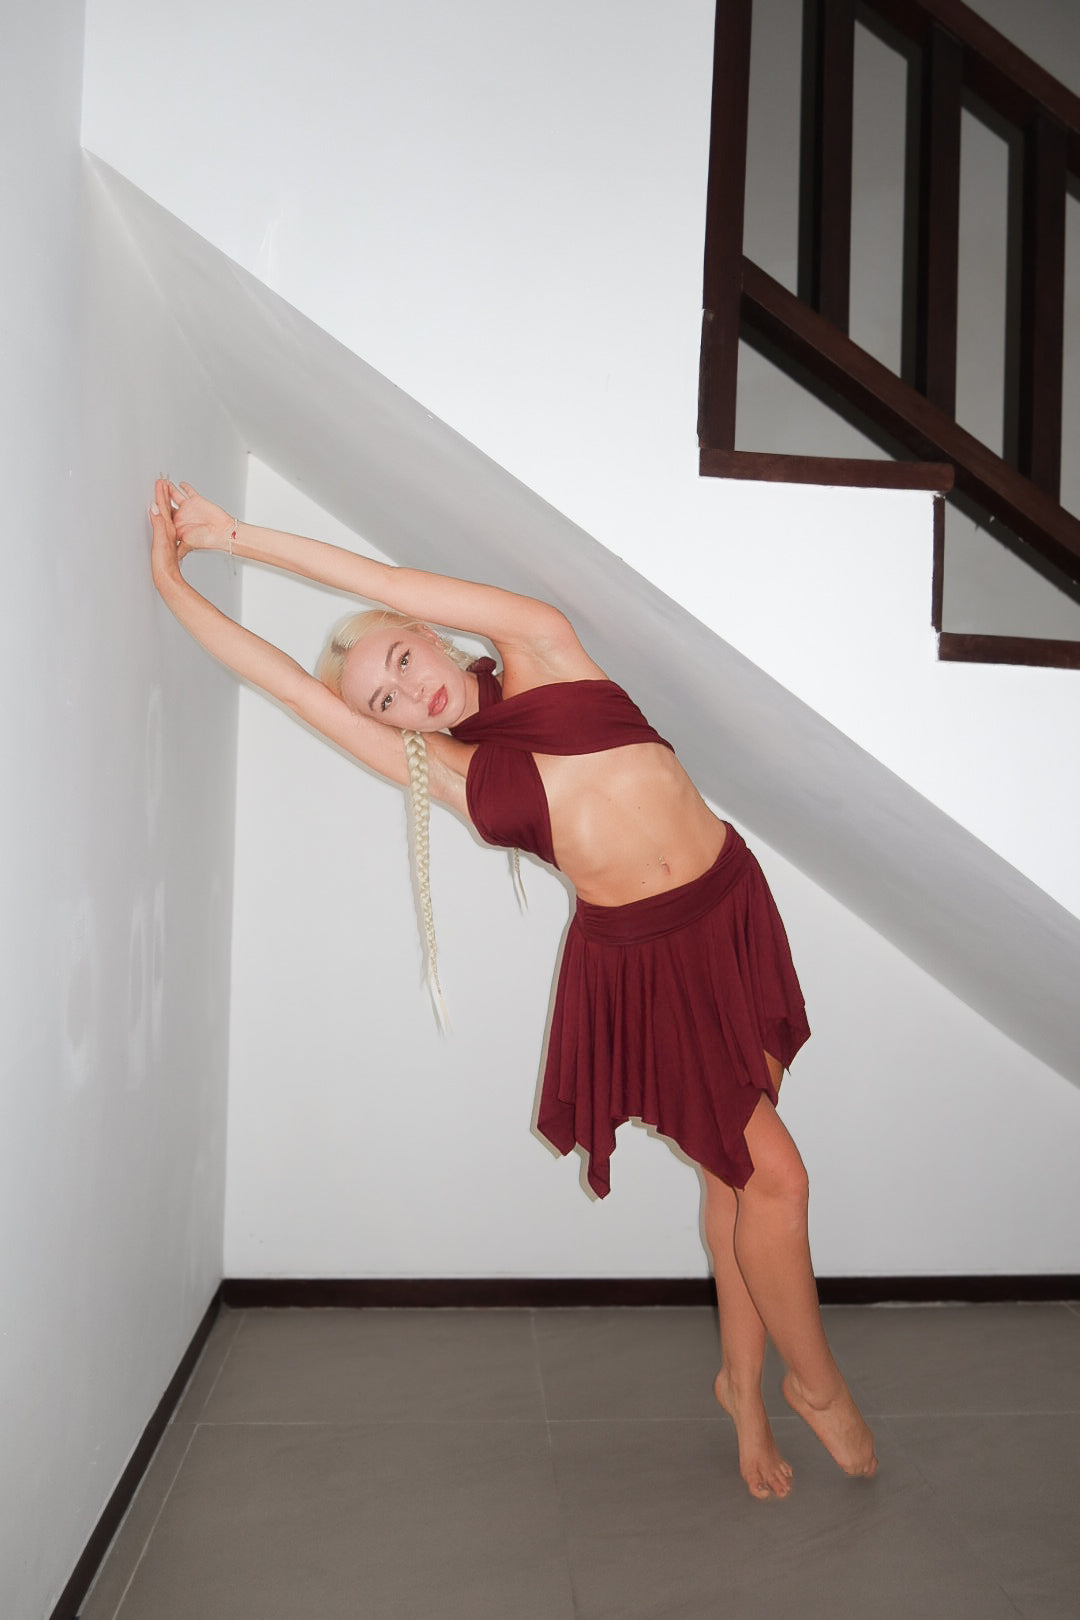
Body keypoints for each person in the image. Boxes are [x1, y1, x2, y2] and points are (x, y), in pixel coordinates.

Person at [149, 477, 877, 1499]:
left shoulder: (546, 644)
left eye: (402, 661)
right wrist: (174, 585)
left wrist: (234, 535)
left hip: (729, 912)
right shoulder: (444, 769)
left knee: (734, 1178)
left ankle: (742, 1390)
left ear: (426, 630)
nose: (408, 696)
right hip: (646, 972)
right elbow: (293, 689)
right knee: (779, 1181)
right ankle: (816, 1384)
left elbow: (382, 574)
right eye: (385, 702)